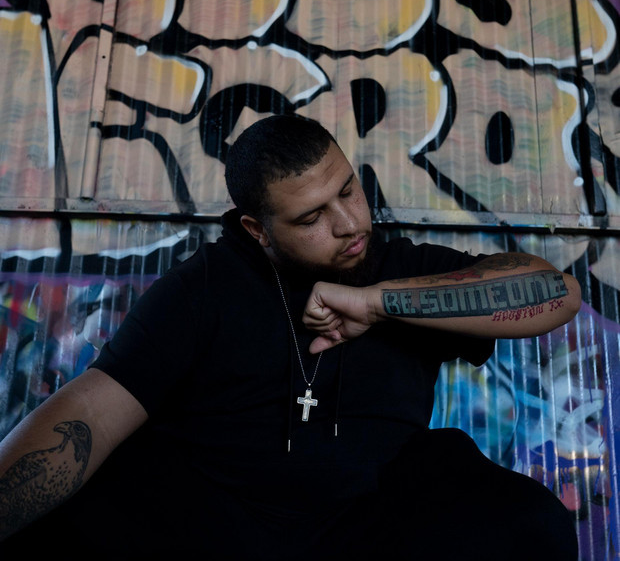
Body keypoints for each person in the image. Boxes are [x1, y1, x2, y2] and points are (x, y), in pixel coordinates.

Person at [0, 114, 581, 560]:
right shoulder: (201, 289)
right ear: (258, 229)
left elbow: (555, 293)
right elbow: (90, 413)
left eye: (348, 191)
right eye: (311, 218)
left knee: (518, 516)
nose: (349, 224)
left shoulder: (405, 268)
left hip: (371, 529)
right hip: (219, 529)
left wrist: (378, 303)